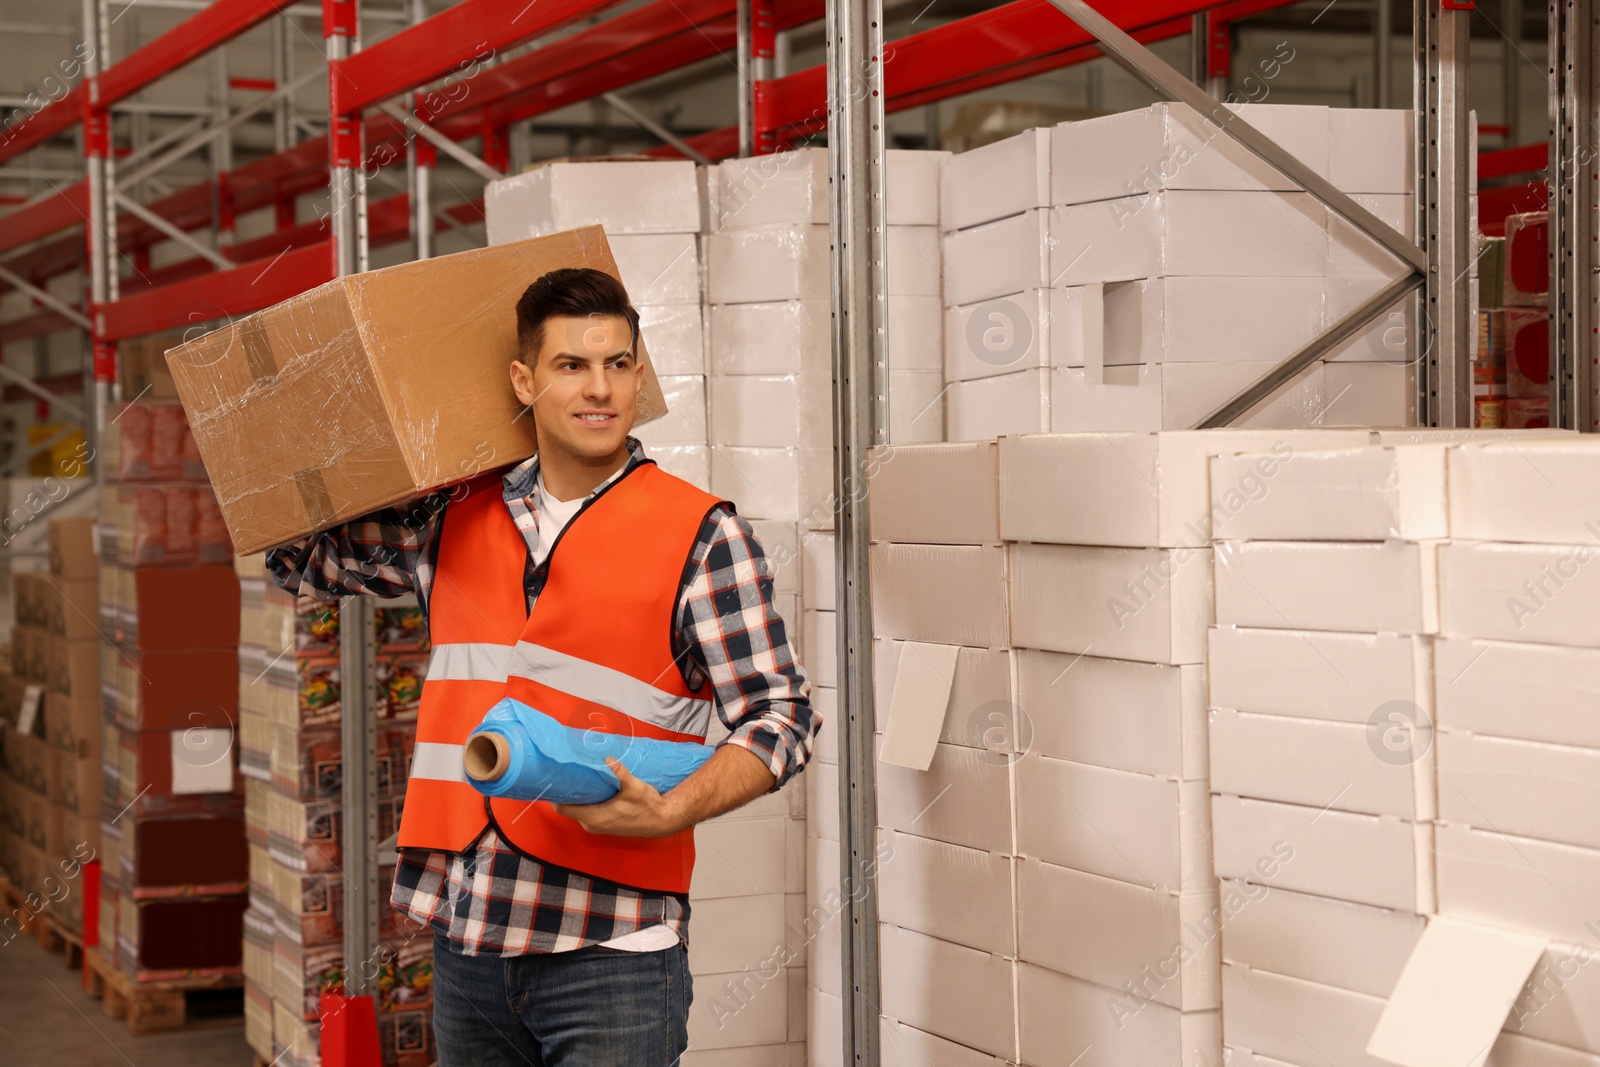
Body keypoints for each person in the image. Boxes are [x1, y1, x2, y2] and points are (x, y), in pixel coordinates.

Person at [267, 267, 820, 1066]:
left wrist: (674, 809)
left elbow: (785, 717)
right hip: (470, 944)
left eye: (618, 364)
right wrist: (356, 424)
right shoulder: (450, 519)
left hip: (612, 954)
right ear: (523, 380)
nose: (600, 388)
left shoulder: (701, 535)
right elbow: (298, 556)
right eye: (571, 366)